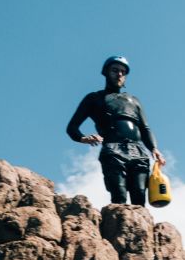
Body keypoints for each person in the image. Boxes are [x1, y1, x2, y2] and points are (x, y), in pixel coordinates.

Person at [67, 55, 165, 206]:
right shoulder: (94, 98)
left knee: (139, 197)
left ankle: (138, 227)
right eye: (115, 70)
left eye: (123, 72)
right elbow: (72, 127)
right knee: (118, 195)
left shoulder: (134, 100)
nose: (119, 74)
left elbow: (145, 128)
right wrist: (83, 138)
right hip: (113, 150)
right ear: (106, 72)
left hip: (138, 151)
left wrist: (154, 148)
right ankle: (117, 225)